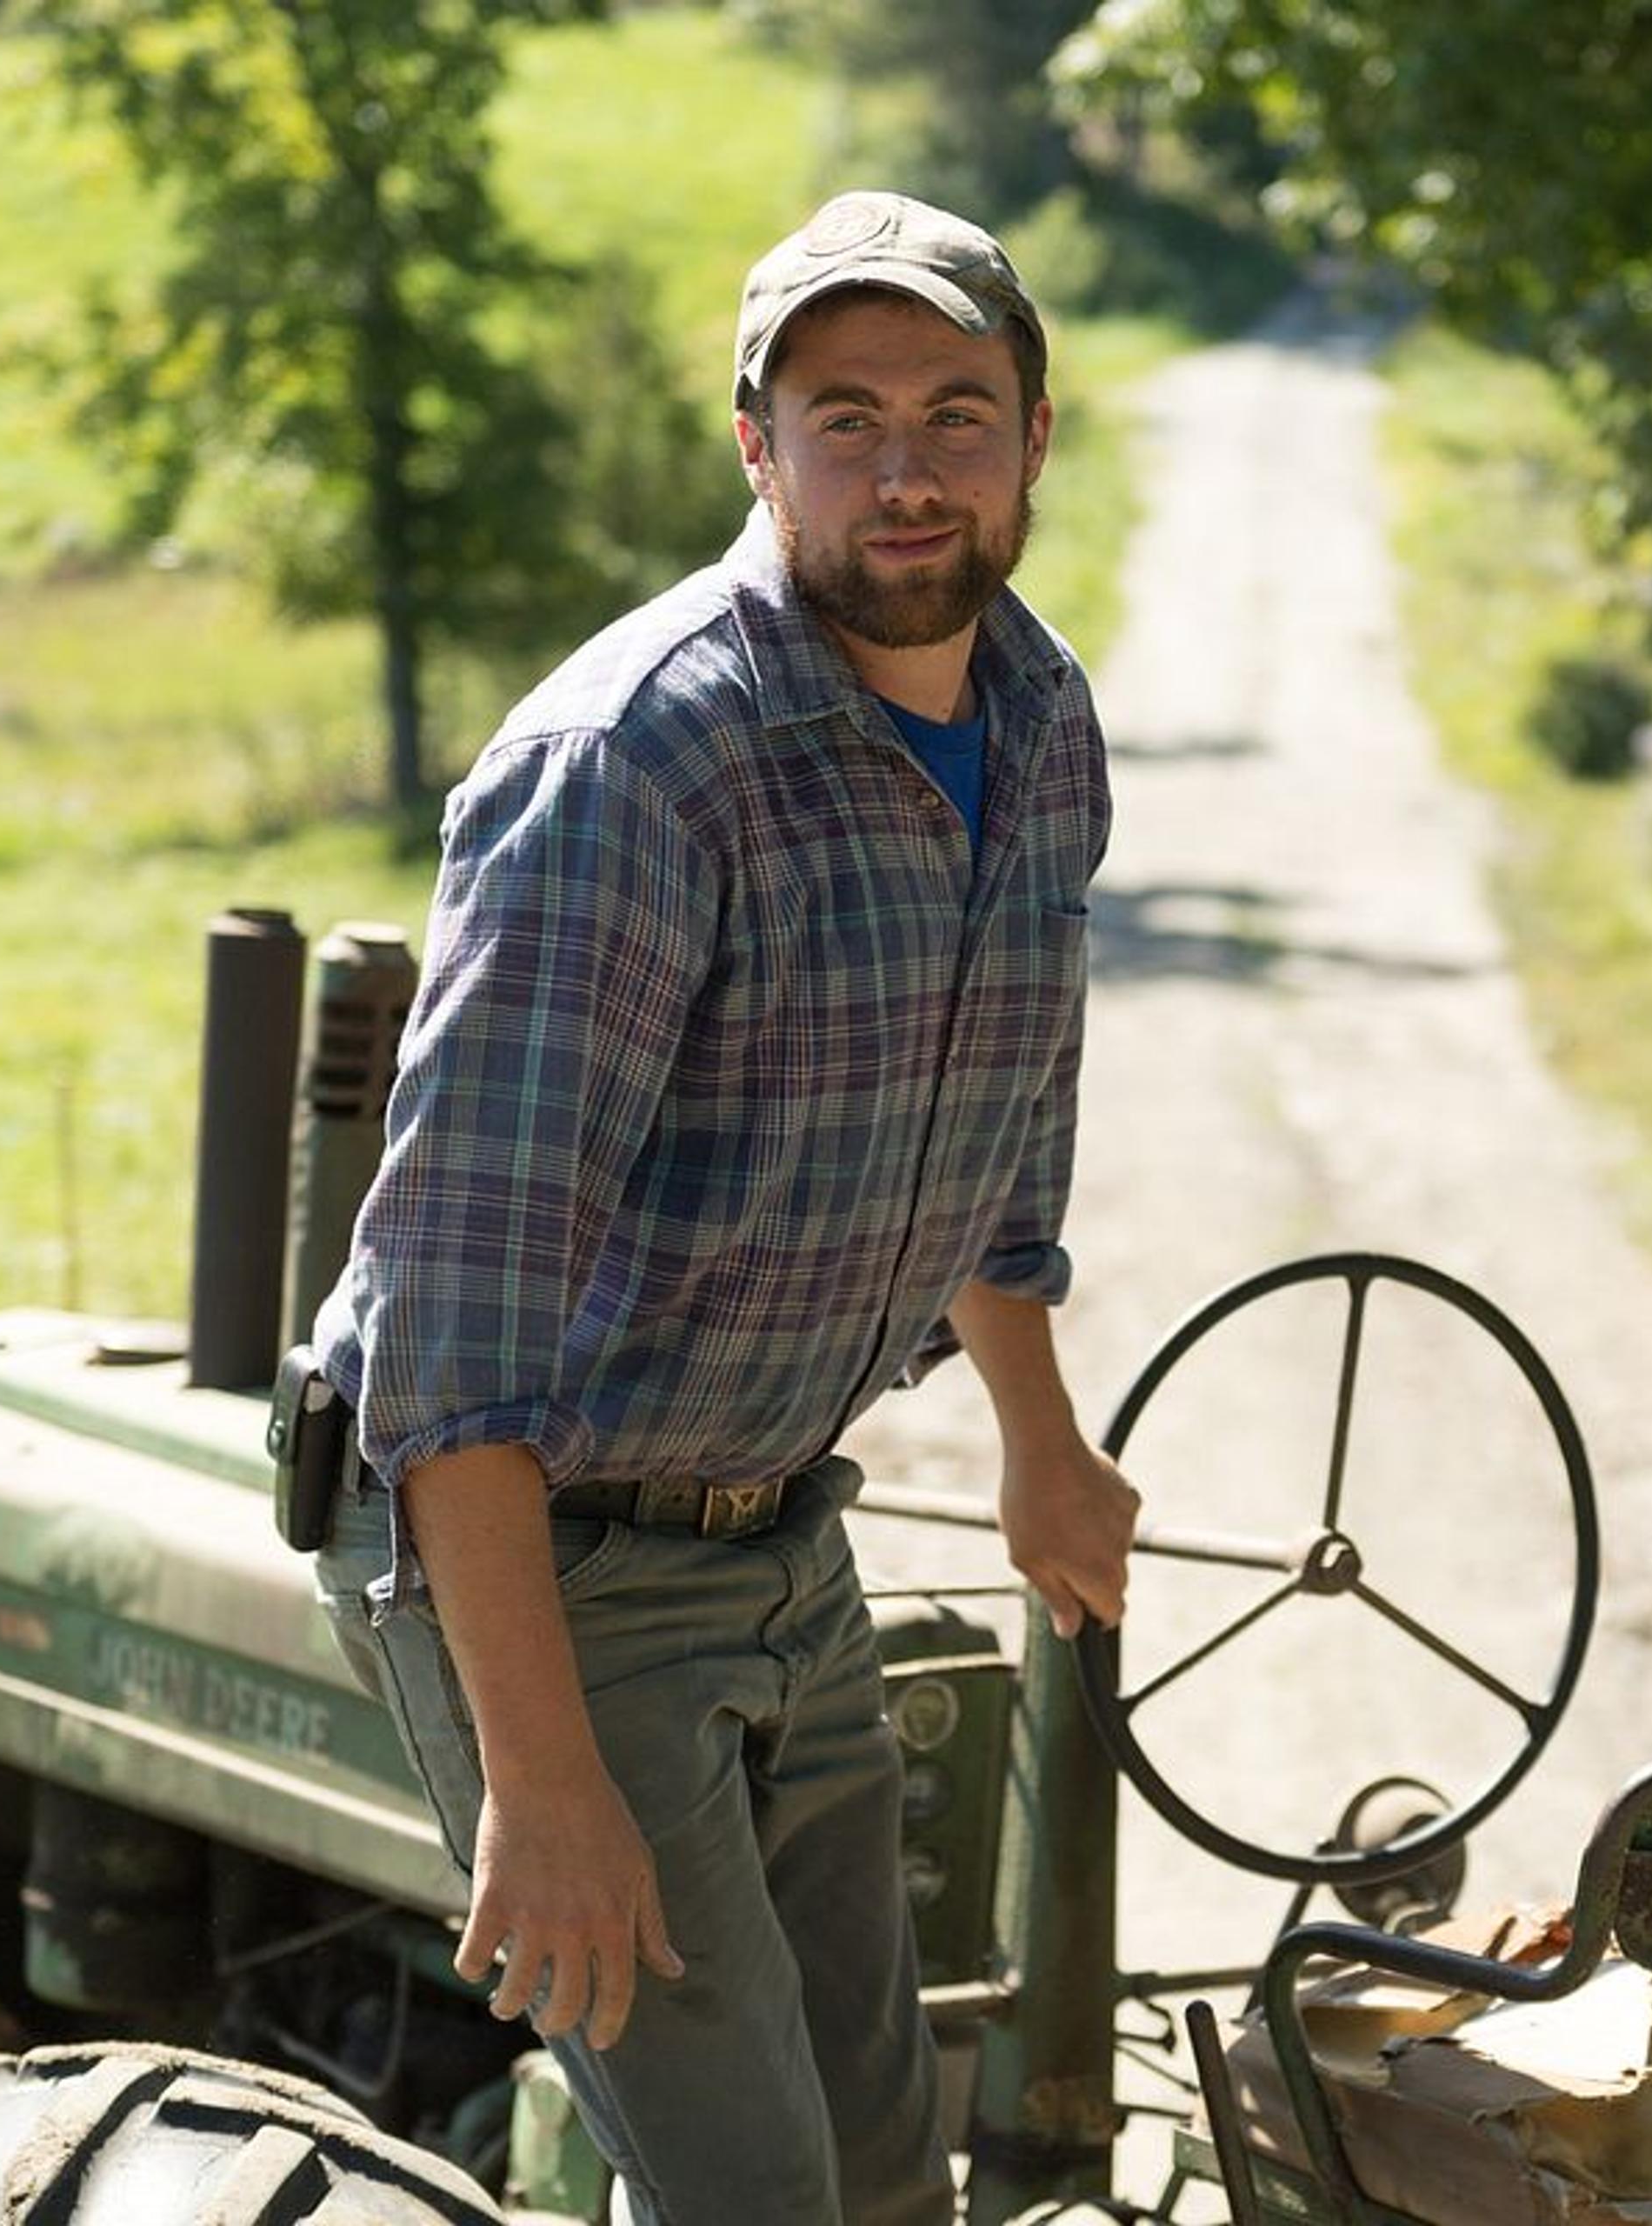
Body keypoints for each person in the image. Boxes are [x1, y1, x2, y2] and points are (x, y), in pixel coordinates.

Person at [309, 189, 1138, 2226]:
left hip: (781, 1523)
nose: (906, 468)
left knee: (888, 2171)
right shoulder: (636, 763)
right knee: (753, 2195)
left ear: (1036, 437)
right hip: (545, 1556)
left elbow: (991, 1119)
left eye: (957, 410)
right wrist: (543, 1770)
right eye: (842, 416)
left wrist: (1040, 1435)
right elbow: (446, 1321)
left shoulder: (1033, 720)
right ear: (755, 447)